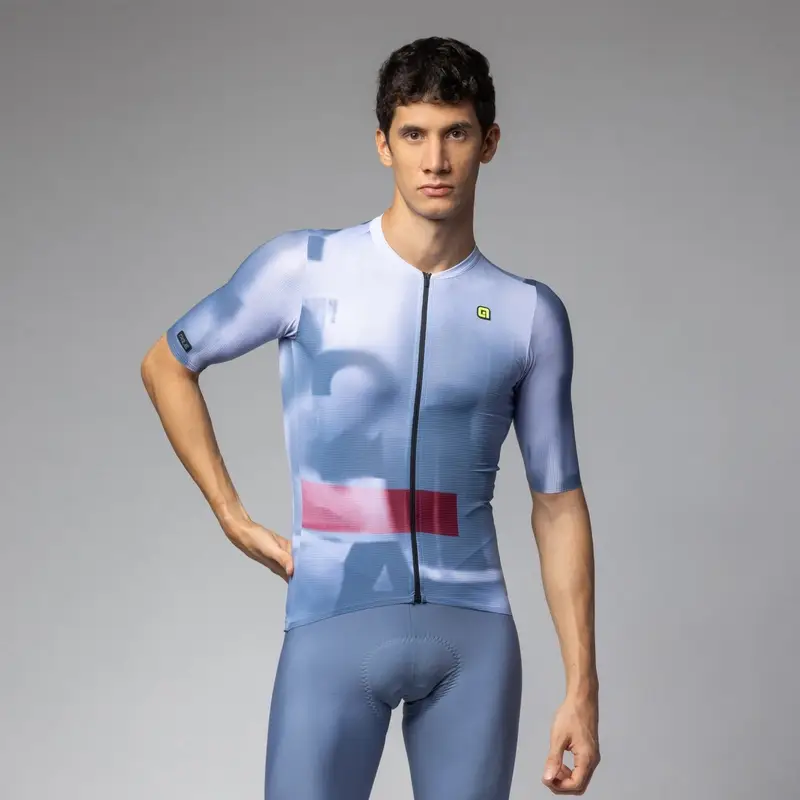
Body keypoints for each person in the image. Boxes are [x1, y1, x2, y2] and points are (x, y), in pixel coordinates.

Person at [141, 35, 600, 800]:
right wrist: (231, 516)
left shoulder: (527, 314)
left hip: (474, 637)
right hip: (334, 621)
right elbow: (167, 364)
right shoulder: (303, 269)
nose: (435, 160)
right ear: (383, 144)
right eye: (414, 134)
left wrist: (582, 688)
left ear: (488, 142)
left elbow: (557, 504)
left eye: (455, 133)